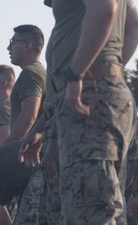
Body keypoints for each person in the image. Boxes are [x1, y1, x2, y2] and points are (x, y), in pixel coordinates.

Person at [20, 1, 138, 225]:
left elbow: (105, 10)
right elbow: (132, 25)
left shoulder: (81, 80)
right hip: (101, 90)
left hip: (89, 93)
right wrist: (109, 70)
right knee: (104, 207)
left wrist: (79, 74)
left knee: (89, 213)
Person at [5, 24, 46, 225]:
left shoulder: (30, 73)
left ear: (28, 45)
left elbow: (30, 115)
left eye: (13, 42)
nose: (8, 48)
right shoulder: (38, 72)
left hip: (34, 160)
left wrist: (6, 151)